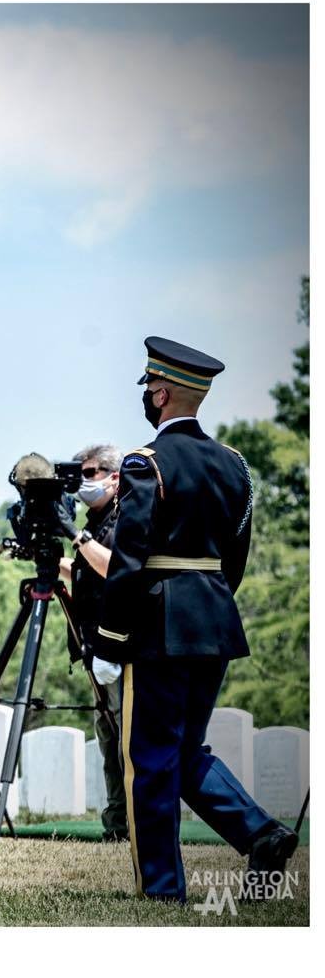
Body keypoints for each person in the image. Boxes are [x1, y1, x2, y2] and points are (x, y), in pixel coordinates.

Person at [94, 336, 299, 902]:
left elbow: (130, 559)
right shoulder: (234, 464)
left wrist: (109, 639)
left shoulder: (146, 463)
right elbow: (236, 555)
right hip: (213, 618)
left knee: (152, 759)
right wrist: (205, 604)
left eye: (147, 389)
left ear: (158, 393)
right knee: (185, 752)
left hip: (158, 624)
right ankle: (261, 834)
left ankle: (161, 887)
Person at [55, 443, 128, 842]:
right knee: (106, 732)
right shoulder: (95, 521)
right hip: (92, 648)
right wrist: (52, 561)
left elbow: (113, 568)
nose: (84, 481)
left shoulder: (122, 518)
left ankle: (130, 820)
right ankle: (117, 822)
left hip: (116, 646)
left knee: (122, 735)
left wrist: (73, 534)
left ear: (115, 478)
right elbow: (86, 569)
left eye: (91, 472)